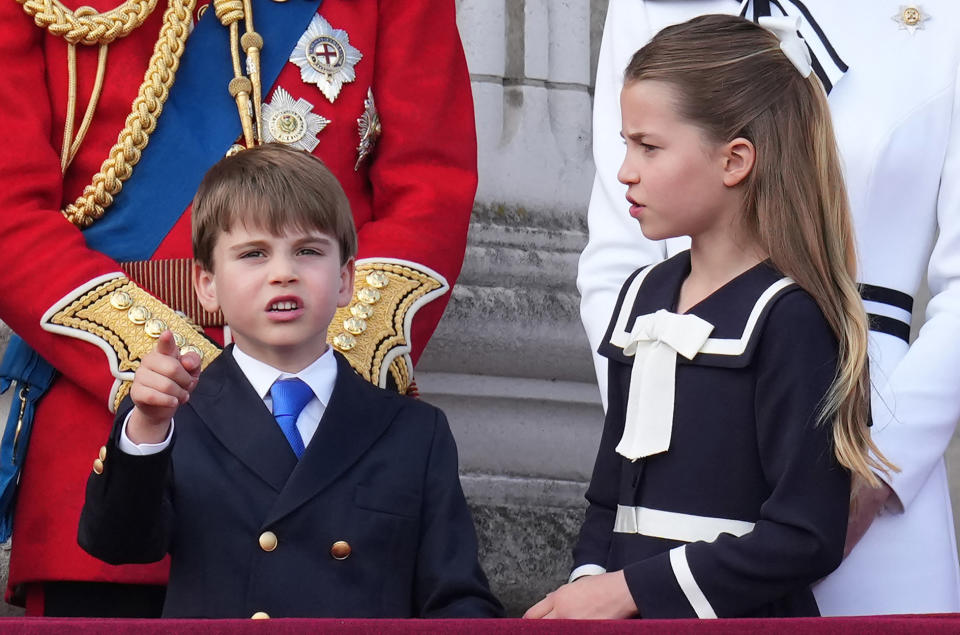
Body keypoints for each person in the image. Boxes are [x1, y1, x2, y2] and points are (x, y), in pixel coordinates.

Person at [0, 0, 477, 616]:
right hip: (107, 428)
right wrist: (183, 378)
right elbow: (10, 215)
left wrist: (303, 387)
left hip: (322, 459)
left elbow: (430, 193)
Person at [577, 0, 960, 616]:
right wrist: (684, 428)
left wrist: (883, 470)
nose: (631, 169)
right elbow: (613, 257)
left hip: (877, 417)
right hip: (681, 426)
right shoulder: (649, 10)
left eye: (645, 149)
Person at [77, 143, 502, 619]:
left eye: (308, 251)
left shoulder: (413, 432)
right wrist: (148, 431)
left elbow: (457, 598)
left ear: (345, 281)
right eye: (254, 254)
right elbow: (118, 543)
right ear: (207, 286)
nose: (283, 273)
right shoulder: (176, 418)